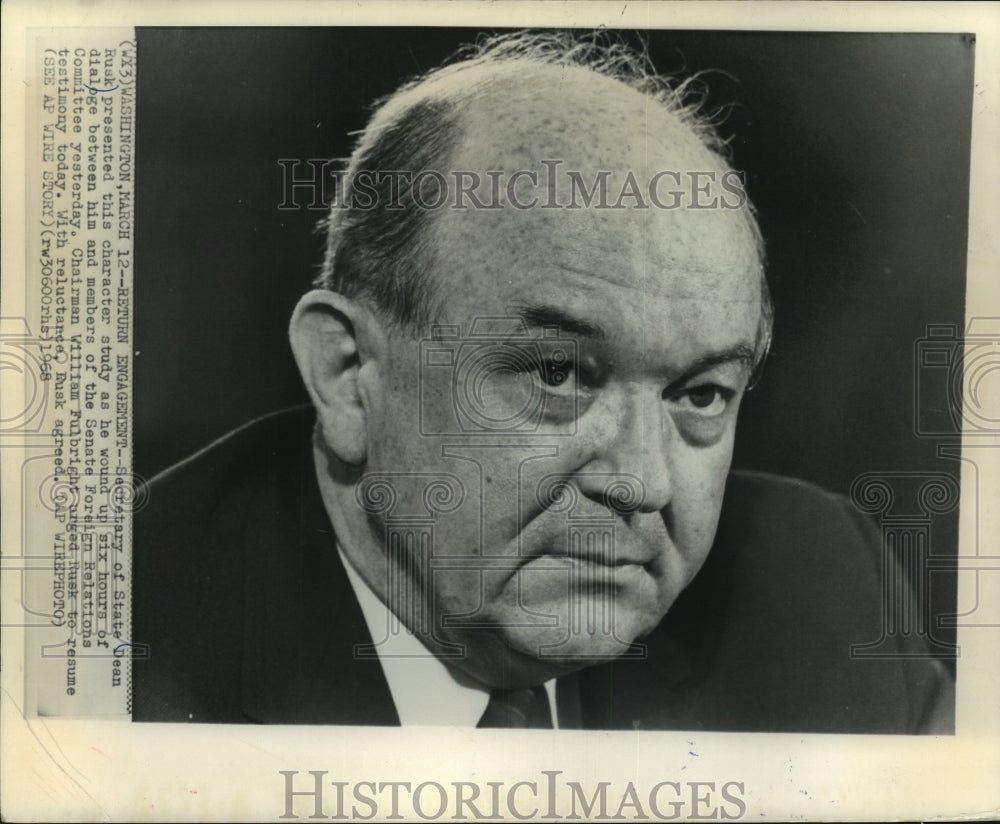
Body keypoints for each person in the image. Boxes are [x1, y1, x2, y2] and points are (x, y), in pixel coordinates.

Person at [132, 32, 953, 731]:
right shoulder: (115, 659)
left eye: (701, 394)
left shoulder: (820, 596)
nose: (642, 482)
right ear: (349, 375)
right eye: (558, 374)